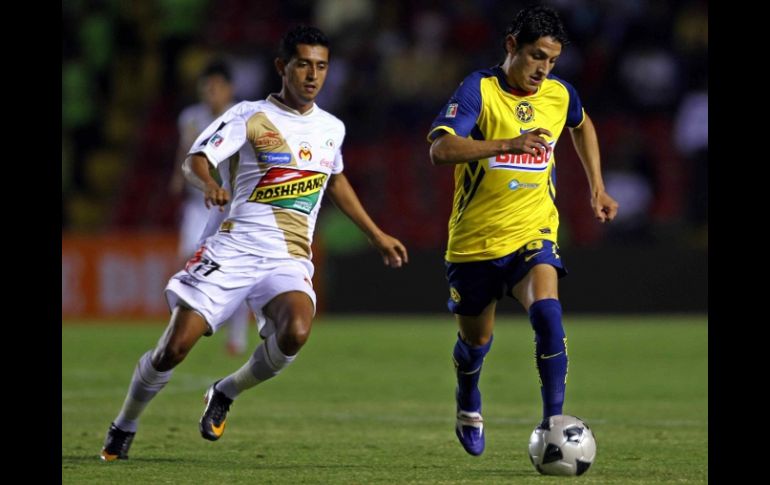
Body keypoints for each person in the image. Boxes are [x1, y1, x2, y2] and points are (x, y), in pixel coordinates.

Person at [100, 25, 408, 461]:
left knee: (296, 331)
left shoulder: (331, 128)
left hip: (288, 256)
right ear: (283, 67)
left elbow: (335, 180)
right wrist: (208, 183)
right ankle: (125, 422)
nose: (312, 75)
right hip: (235, 247)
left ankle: (225, 391)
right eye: (303, 64)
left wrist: (376, 235)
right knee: (174, 348)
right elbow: (196, 159)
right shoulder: (248, 114)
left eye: (321, 66)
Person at [426, 6, 618, 456]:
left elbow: (582, 122)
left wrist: (597, 187)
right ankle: (467, 398)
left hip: (533, 232)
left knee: (549, 317)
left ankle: (554, 425)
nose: (543, 69)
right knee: (476, 342)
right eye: (536, 57)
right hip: (474, 242)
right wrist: (509, 143)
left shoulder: (558, 94)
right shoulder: (479, 89)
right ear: (512, 45)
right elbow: (441, 148)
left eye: (551, 61)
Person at [168, 60, 251, 356]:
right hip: (197, 202)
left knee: (232, 268)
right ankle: (195, 321)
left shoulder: (243, 115)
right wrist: (178, 178)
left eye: (215, 87)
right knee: (190, 259)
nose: (210, 93)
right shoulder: (190, 117)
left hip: (230, 203)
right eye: (206, 88)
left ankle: (237, 334)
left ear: (229, 89)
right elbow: (185, 151)